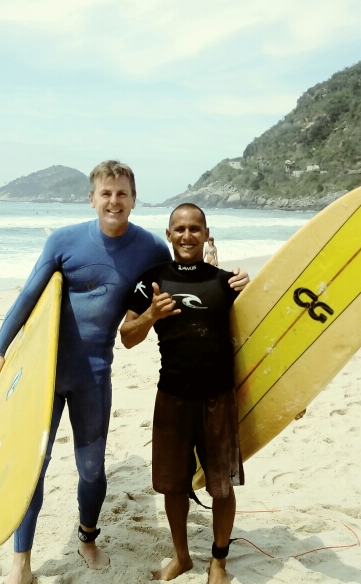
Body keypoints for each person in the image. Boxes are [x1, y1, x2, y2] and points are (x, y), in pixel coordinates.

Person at [0, 162, 249, 584]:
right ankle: (22, 559)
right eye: (105, 194)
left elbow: (183, 283)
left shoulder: (149, 249)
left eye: (122, 194)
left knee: (91, 469)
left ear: (133, 199)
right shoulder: (63, 240)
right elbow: (30, 294)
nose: (114, 201)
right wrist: (1, 349)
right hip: (42, 373)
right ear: (92, 199)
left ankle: (88, 537)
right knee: (33, 466)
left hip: (94, 374)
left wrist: (224, 275)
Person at [120, 203, 244, 584]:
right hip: (172, 396)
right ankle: (182, 557)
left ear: (207, 234)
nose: (187, 235)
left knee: (221, 485)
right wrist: (151, 315)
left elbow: (256, 338)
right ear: (169, 235)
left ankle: (218, 561)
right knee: (173, 484)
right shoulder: (151, 280)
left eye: (195, 228)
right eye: (179, 229)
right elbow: (127, 337)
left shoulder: (227, 283)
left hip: (219, 397)